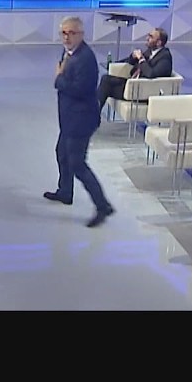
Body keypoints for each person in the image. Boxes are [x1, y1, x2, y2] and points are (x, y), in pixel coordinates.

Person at [43, 16, 115, 228]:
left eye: (71, 33)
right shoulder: (68, 52)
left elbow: (80, 89)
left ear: (81, 35)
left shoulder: (85, 59)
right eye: (63, 33)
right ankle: (65, 191)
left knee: (78, 164)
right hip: (69, 119)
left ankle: (103, 206)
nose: (66, 37)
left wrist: (58, 78)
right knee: (61, 153)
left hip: (81, 120)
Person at [96, 27, 174, 111]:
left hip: (143, 92)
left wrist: (141, 58)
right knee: (106, 79)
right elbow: (131, 62)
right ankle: (94, 113)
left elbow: (151, 74)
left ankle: (93, 114)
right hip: (133, 85)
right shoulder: (150, 51)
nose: (147, 38)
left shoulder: (165, 58)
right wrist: (133, 57)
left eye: (151, 37)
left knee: (105, 86)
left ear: (159, 43)